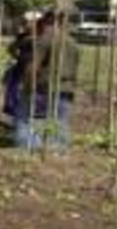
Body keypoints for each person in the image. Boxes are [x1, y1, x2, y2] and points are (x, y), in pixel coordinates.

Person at [14, 11, 80, 151]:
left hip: (44, 86)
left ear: (47, 22)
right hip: (66, 88)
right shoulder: (73, 43)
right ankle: (59, 150)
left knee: (24, 117)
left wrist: (26, 86)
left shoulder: (44, 40)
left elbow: (33, 66)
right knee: (60, 121)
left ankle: (28, 146)